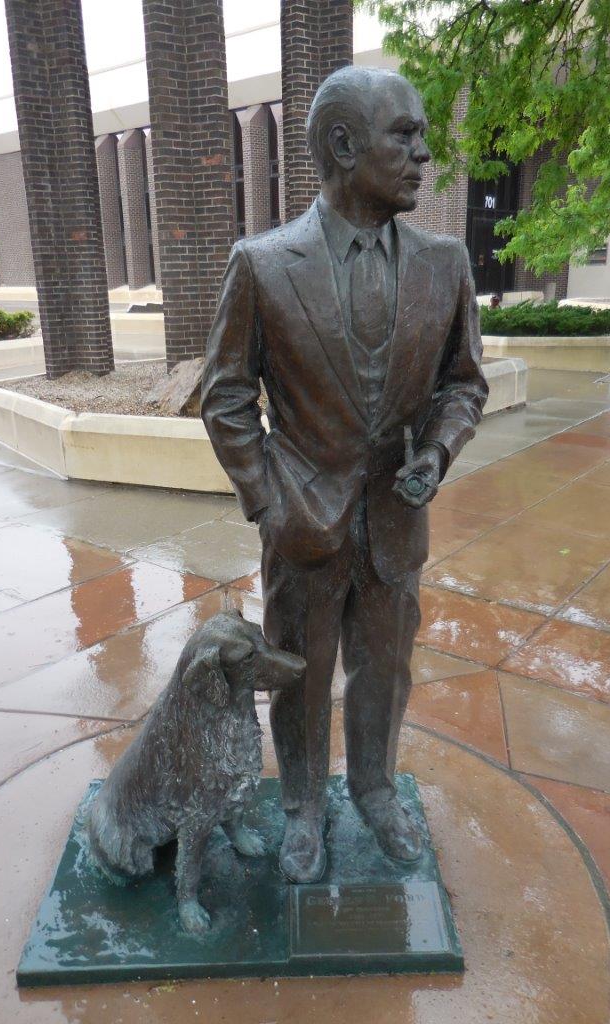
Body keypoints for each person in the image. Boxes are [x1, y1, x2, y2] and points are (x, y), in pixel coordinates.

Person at [202, 65, 488, 884]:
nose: (424, 153)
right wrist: (267, 503)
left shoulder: (446, 264)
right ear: (341, 145)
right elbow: (224, 396)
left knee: (387, 663)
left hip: (396, 518)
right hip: (303, 519)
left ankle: (372, 787)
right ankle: (300, 804)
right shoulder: (261, 265)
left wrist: (435, 452)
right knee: (299, 668)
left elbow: (462, 383)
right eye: (405, 135)